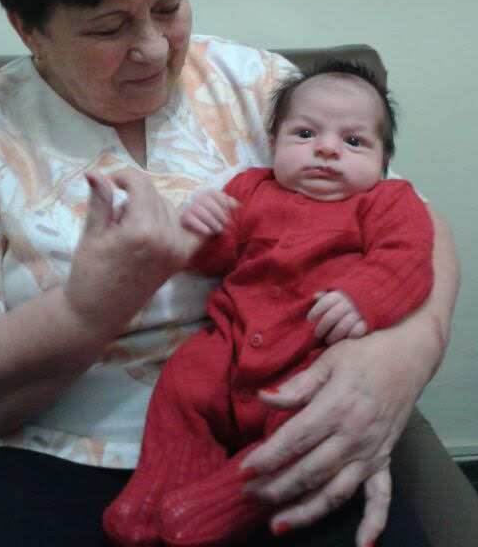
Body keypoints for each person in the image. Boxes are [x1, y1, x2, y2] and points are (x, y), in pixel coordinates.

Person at [0, 0, 459, 547]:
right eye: (108, 28)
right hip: (40, 449)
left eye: (168, 8)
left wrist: (407, 352)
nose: (152, 49)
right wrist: (86, 310)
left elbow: (413, 221)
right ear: (28, 28)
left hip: (277, 416)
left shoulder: (257, 84)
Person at [103, 63, 434, 547]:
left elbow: (409, 257)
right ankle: (160, 483)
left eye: (354, 141)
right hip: (230, 344)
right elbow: (213, 259)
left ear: (383, 161)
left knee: (310, 422)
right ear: (274, 143)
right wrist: (201, 225)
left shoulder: (387, 201)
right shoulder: (250, 188)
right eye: (306, 133)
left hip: (311, 357)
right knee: (183, 383)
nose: (327, 148)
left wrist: (365, 295)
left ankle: (245, 494)